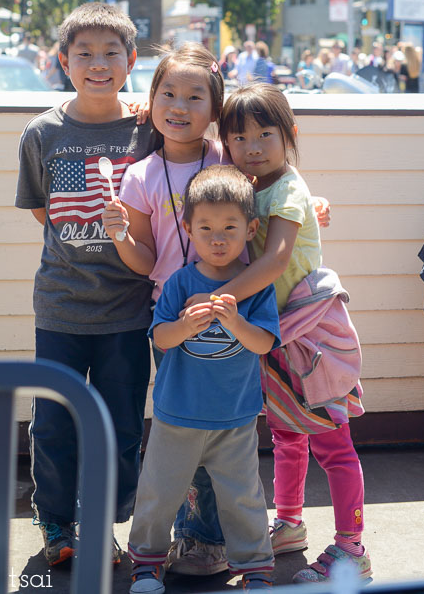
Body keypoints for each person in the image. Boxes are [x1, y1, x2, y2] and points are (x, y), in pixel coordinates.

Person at [102, 45, 331, 577]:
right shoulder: (140, 175)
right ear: (152, 100)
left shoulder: (225, 162)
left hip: (237, 303)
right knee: (179, 431)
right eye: (168, 95)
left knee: (224, 435)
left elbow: (270, 189)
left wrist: (312, 205)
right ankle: (165, 549)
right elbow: (143, 259)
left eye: (194, 96)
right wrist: (117, 236)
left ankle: (207, 542)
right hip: (173, 309)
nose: (180, 105)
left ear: (214, 110)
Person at [15, 2, 155, 567]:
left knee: (121, 425)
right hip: (60, 308)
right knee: (53, 422)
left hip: (128, 311)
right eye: (84, 54)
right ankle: (55, 522)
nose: (98, 64)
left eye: (110, 53)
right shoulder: (42, 132)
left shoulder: (148, 128)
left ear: (131, 61)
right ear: (62, 61)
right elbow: (43, 211)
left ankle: (106, 522)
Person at [214, 83, 371, 584]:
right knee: (285, 432)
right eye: (240, 138)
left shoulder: (287, 190)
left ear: (290, 135)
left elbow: (278, 257)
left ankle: (353, 547)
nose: (253, 146)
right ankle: (289, 523)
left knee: (333, 442)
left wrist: (225, 299)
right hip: (275, 332)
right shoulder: (246, 184)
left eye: (266, 133)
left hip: (310, 334)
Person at [126, 165, 280, 593]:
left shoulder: (254, 288)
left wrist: (234, 320)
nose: (218, 237)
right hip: (178, 414)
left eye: (230, 227)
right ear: (189, 231)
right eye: (206, 227)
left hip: (236, 416)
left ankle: (256, 571)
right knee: (159, 493)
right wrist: (186, 326)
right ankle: (145, 566)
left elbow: (263, 344)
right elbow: (160, 337)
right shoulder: (179, 283)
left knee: (243, 498)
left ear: (250, 229)